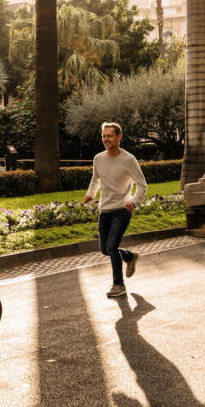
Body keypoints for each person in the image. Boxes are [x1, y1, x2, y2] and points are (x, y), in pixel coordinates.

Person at [82, 122, 148, 298]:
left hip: (122, 210)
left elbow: (142, 185)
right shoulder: (98, 158)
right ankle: (130, 256)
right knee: (105, 249)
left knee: (112, 246)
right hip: (105, 210)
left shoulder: (129, 159)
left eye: (109, 136)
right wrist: (90, 194)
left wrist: (134, 202)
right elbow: (95, 181)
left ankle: (118, 285)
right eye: (103, 136)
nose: (105, 139)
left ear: (119, 137)